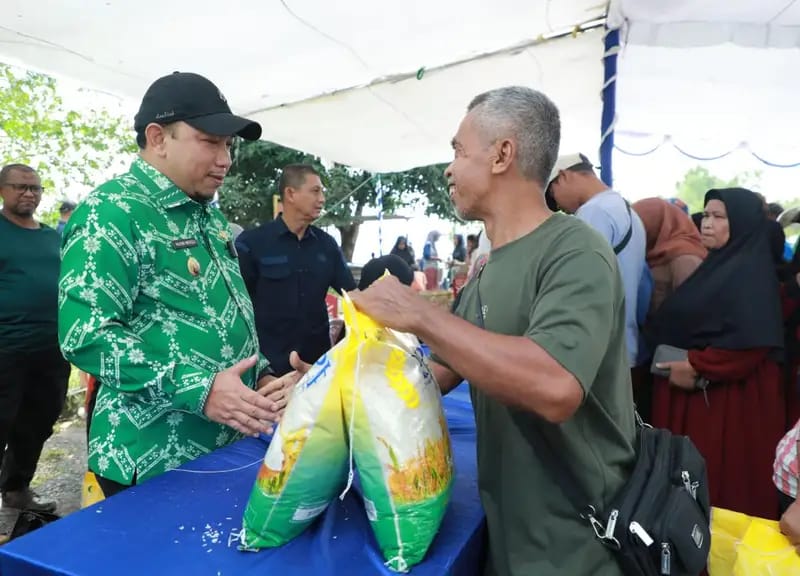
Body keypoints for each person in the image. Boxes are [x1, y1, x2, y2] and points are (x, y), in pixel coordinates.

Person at [351, 86, 635, 576]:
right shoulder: (488, 269)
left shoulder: (575, 251)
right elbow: (435, 371)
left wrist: (418, 313)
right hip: (513, 533)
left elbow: (554, 386)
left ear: (503, 154)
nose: (449, 167)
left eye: (459, 151)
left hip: (577, 545)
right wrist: (335, 376)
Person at [59, 72, 302, 498]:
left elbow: (220, 317)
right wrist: (199, 388)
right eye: (210, 141)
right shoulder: (112, 212)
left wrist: (260, 378)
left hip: (226, 444)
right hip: (152, 459)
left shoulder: (205, 214)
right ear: (158, 138)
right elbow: (86, 336)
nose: (225, 159)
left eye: (229, 145)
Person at [649, 188, 785, 520]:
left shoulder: (752, 274)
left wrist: (698, 366)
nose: (706, 223)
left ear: (739, 223)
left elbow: (752, 342)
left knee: (719, 488)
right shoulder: (717, 268)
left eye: (718, 217)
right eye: (705, 215)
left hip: (728, 406)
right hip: (701, 397)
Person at [236, 164, 356, 376]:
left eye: (322, 192)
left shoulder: (327, 246)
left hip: (317, 369)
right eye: (315, 191)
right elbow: (237, 309)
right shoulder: (253, 244)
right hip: (269, 371)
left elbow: (353, 296)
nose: (322, 199)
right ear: (290, 194)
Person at [0, 164, 69, 512]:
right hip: (6, 348)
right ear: (3, 190)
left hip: (52, 348)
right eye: (20, 187)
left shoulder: (51, 236)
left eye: (35, 188)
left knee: (39, 420)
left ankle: (16, 488)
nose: (29, 193)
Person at [546, 153, 646, 367]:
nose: (559, 207)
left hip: (599, 350)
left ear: (563, 176)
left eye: (553, 195)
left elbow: (578, 285)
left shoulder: (593, 212)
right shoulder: (627, 209)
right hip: (625, 345)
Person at [632, 197, 706, 314]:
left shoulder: (685, 258)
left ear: (656, 222)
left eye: (640, 224)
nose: (634, 231)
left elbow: (693, 312)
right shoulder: (653, 253)